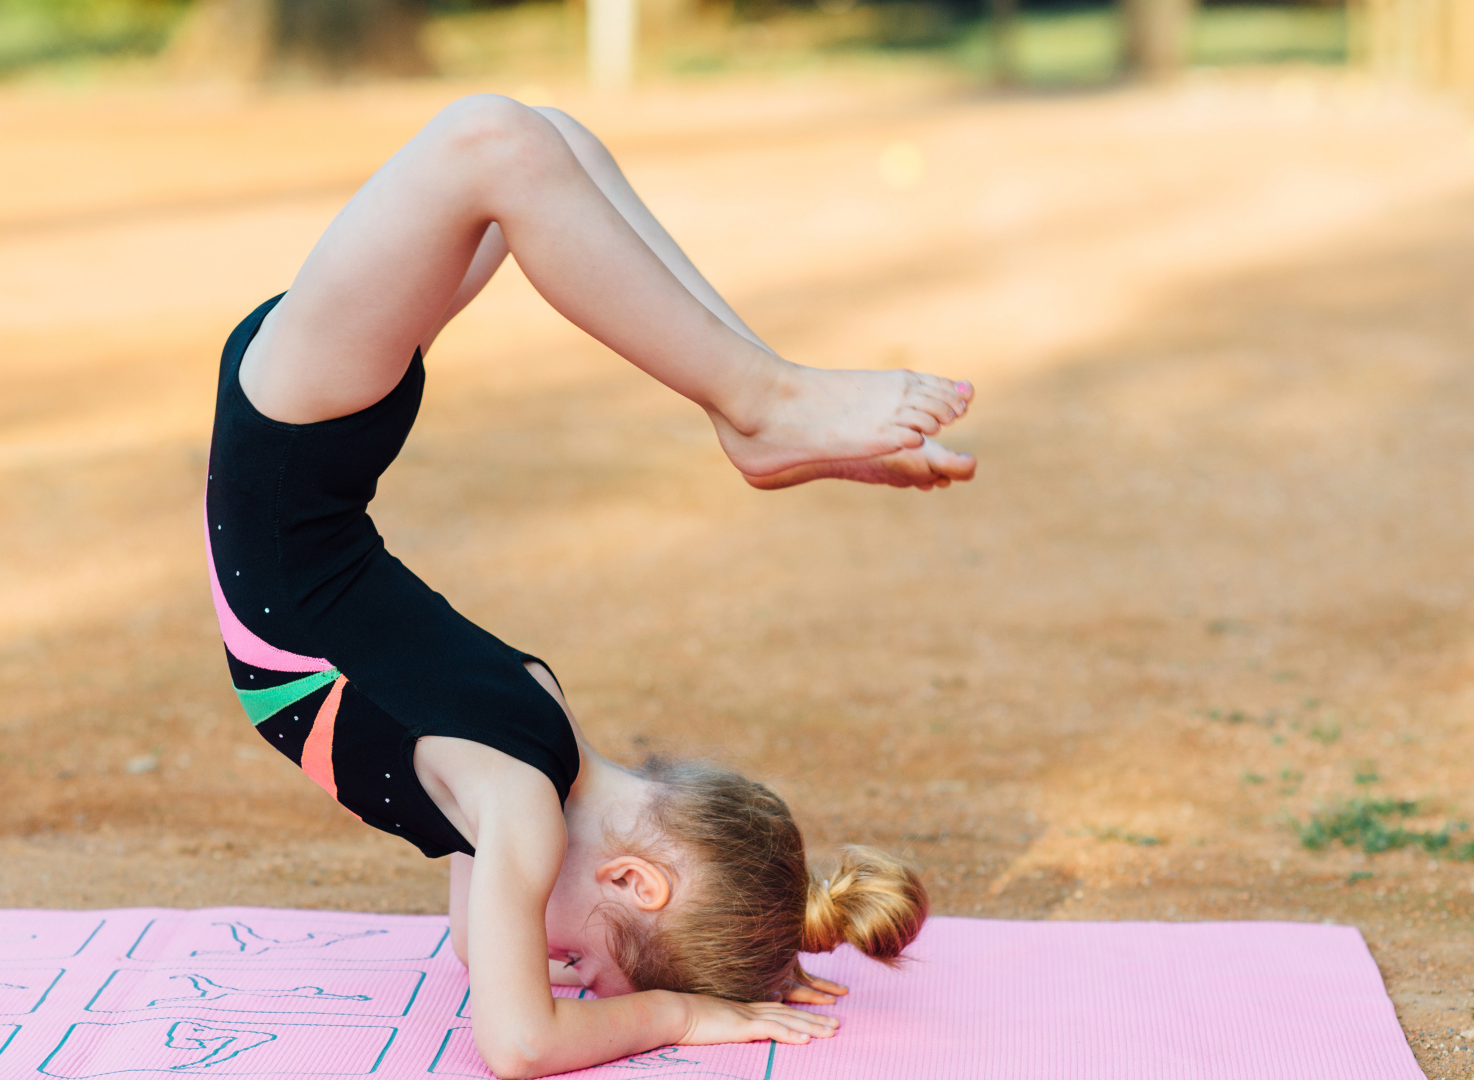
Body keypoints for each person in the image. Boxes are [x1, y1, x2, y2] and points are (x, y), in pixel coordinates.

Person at [204, 94, 972, 1079]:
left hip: (311, 451)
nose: (556, 967)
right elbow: (521, 1043)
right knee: (513, 144)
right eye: (586, 966)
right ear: (634, 882)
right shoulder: (516, 804)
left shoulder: (540, 727)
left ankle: (752, 405)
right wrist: (676, 1012)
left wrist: (752, 946)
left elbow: (484, 950)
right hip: (295, 447)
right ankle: (760, 401)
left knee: (534, 147)